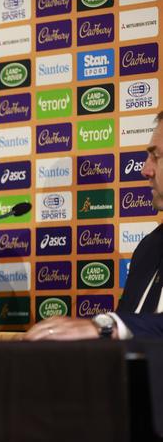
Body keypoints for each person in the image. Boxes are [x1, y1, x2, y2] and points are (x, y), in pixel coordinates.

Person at [26, 111, 163, 341]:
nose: (145, 170)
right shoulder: (149, 248)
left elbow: (123, 325)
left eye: (156, 156)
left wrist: (107, 325)